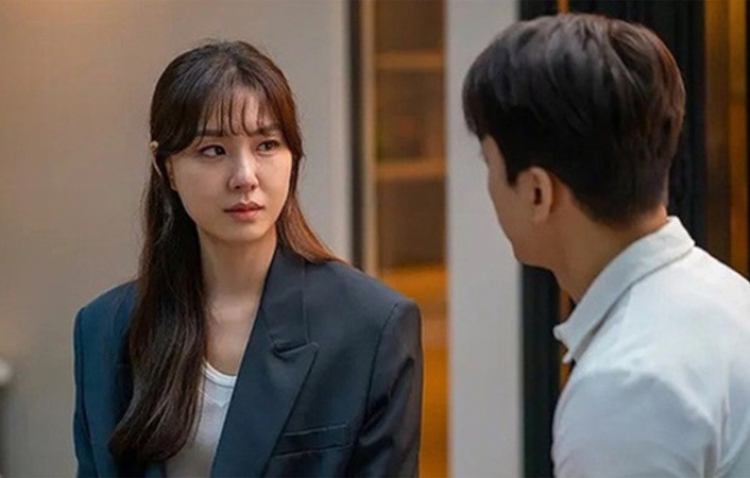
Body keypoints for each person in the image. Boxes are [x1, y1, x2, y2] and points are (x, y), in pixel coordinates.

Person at [73, 40, 422, 477]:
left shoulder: (372, 326)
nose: (245, 177)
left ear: (293, 157)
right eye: (213, 150)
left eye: (267, 145)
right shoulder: (104, 328)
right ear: (166, 169)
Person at [462, 13, 750, 477]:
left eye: (489, 163)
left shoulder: (626, 384)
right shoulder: (729, 297)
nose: (490, 186)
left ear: (537, 192)